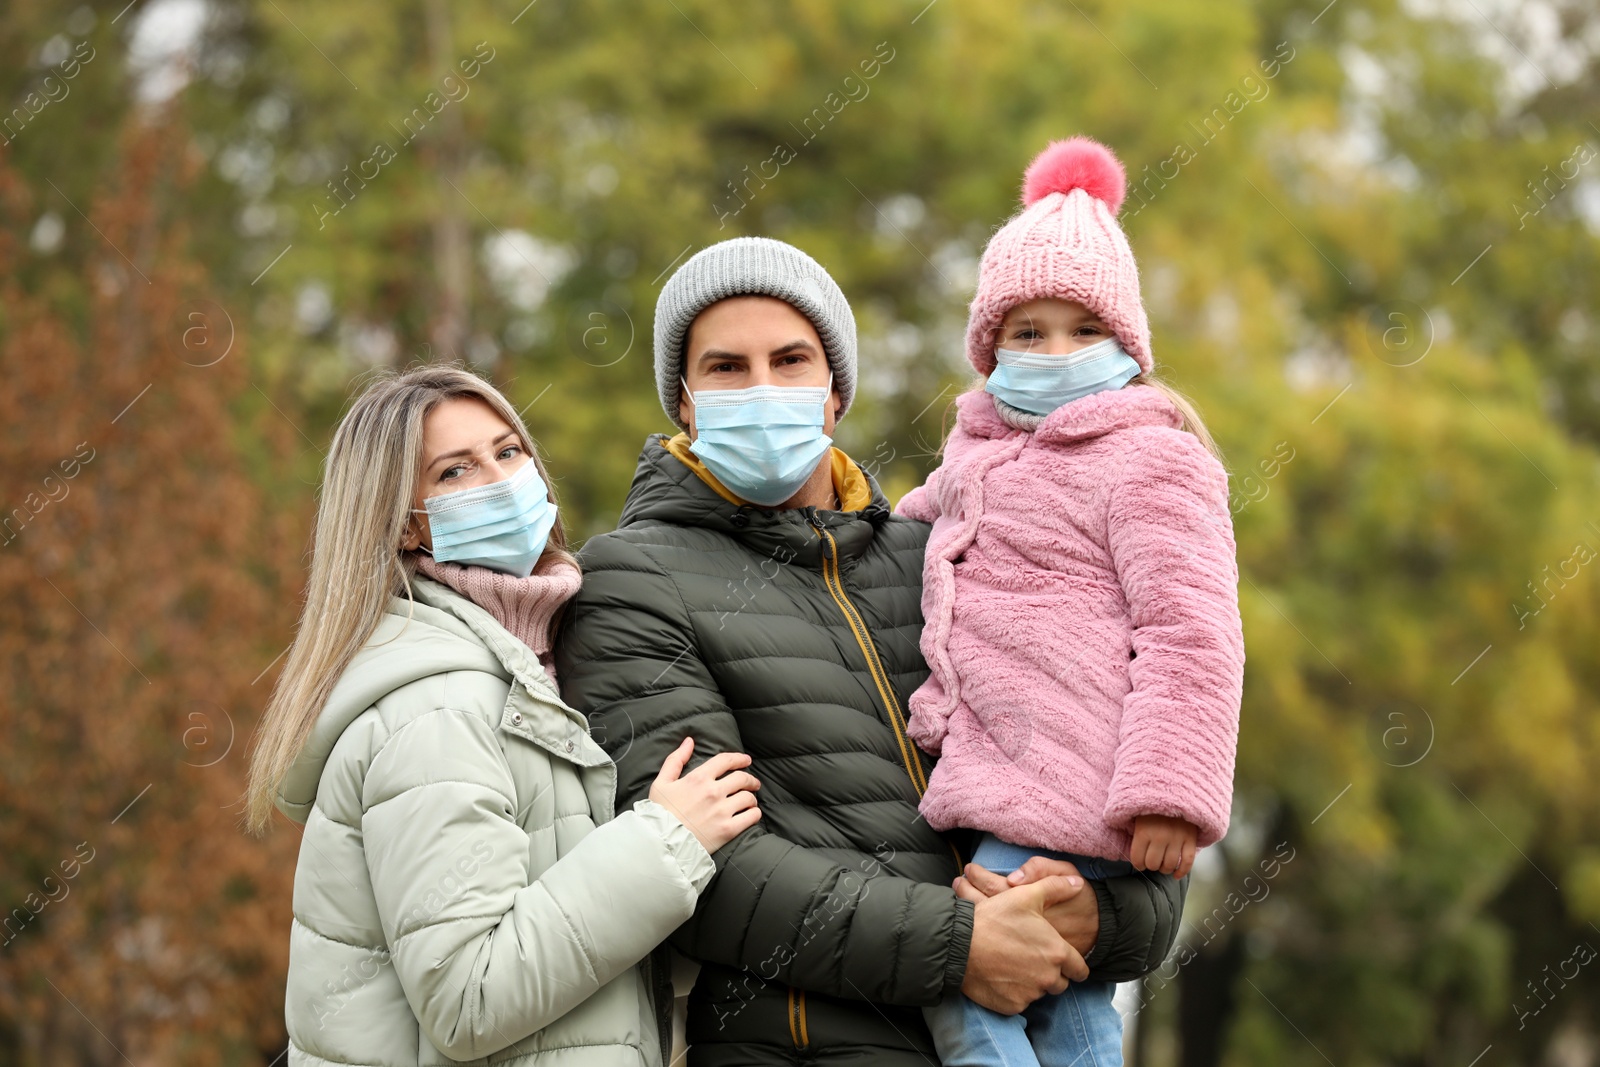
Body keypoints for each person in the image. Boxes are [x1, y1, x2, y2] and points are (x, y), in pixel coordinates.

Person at [555, 237, 1189, 1066]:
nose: (762, 389)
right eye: (726, 368)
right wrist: (963, 944)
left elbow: (1103, 782)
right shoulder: (630, 579)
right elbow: (699, 871)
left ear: (834, 393)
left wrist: (1099, 918)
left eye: (790, 360)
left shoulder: (941, 553)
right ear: (683, 399)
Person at [243, 365, 762, 1067]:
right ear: (402, 527)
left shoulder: (540, 672)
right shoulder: (438, 708)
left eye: (509, 450)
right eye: (455, 471)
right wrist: (664, 844)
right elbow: (468, 996)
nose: (500, 478)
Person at [900, 137, 1246, 1066]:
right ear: (989, 347)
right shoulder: (969, 455)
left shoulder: (1151, 458)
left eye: (1083, 330)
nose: (1054, 352)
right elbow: (904, 530)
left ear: (1127, 345)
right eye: (1027, 331)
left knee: (968, 994)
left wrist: (1172, 792)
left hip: (1077, 787)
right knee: (1073, 1007)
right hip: (996, 778)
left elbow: (1192, 631)